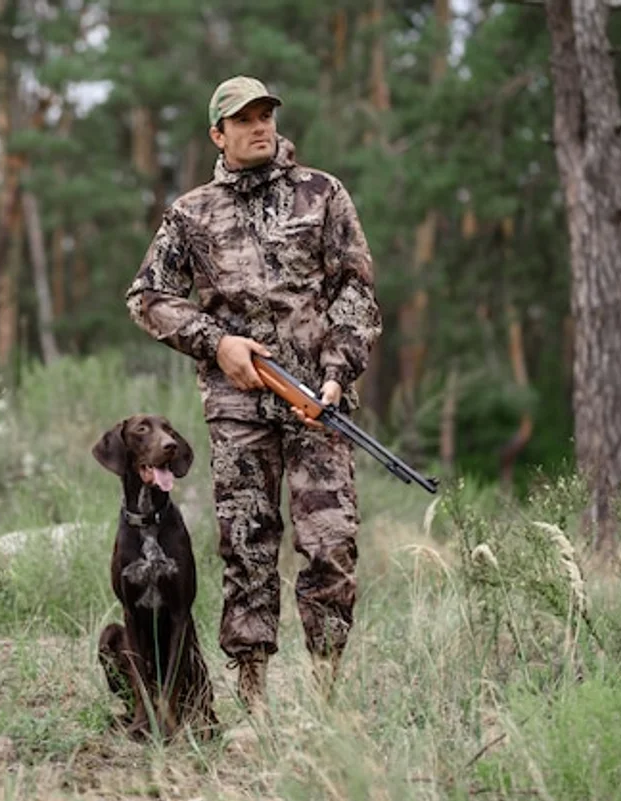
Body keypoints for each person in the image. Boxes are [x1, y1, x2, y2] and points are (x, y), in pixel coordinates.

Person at [124, 75, 382, 716]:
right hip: (238, 410)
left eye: (266, 114)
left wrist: (336, 373)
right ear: (219, 134)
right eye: (244, 119)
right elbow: (146, 298)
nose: (260, 126)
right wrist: (218, 345)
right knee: (247, 542)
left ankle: (327, 696)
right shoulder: (191, 213)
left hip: (317, 404)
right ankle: (254, 697)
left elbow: (356, 291)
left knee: (331, 542)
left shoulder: (323, 195)